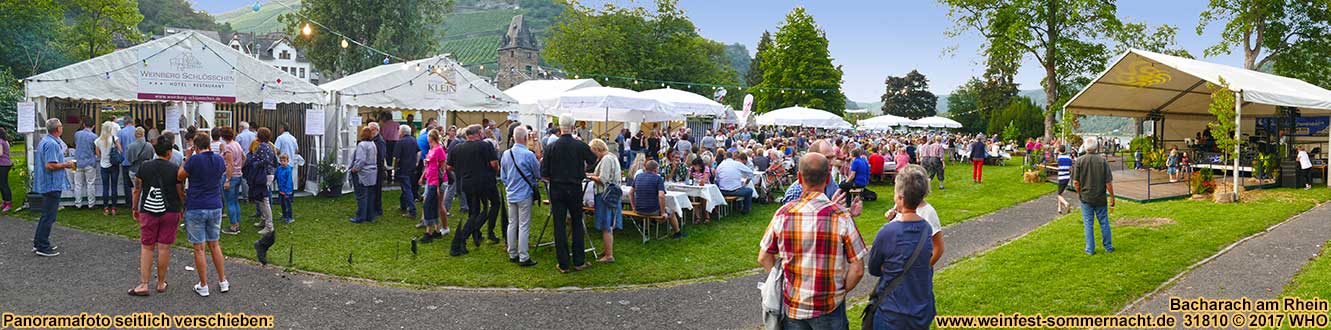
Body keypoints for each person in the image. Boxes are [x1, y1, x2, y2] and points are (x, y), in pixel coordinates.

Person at [758, 153, 867, 329]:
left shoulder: (783, 214)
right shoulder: (841, 217)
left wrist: (782, 279)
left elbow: (764, 257)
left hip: (794, 306)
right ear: (828, 178)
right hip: (830, 307)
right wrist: (841, 291)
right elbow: (858, 269)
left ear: (799, 178)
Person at [869, 164, 937, 329]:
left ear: (900, 197)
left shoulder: (887, 231)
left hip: (893, 311)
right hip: (920, 309)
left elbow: (873, 268)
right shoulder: (926, 228)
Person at [541, 114, 598, 273]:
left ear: (560, 127)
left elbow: (544, 173)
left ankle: (564, 263)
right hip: (574, 188)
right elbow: (593, 159)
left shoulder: (551, 147)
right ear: (573, 127)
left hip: (557, 188)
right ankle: (579, 261)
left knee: (559, 224)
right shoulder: (579, 145)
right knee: (577, 222)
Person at [128, 135, 184, 296]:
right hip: (171, 210)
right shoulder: (174, 169)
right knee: (164, 247)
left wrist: (135, 207)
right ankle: (161, 282)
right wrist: (182, 207)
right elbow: (180, 191)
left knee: (147, 247)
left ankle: (144, 284)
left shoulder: (144, 167)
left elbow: (137, 189)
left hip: (148, 210)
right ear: (169, 152)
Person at [178, 132, 230, 297]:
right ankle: (223, 281)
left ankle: (204, 284)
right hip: (215, 205)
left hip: (196, 205)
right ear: (208, 144)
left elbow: (180, 176)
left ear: (195, 146)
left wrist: (187, 157)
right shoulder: (219, 159)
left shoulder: (194, 159)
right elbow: (222, 172)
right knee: (215, 245)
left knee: (199, 248)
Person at [448, 125, 501, 255]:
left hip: (466, 184)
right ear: (478, 133)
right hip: (485, 182)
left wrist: (463, 170)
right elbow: (494, 164)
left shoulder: (457, 148)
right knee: (493, 205)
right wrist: (496, 171)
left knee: (474, 212)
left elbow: (449, 167)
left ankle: (474, 234)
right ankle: (470, 234)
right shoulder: (485, 145)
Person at [33, 119, 74, 257]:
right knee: (49, 216)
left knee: (46, 215)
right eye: (61, 125)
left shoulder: (45, 141)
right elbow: (50, 165)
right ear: (57, 129)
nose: (62, 128)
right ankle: (43, 245)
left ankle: (39, 242)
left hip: (48, 183)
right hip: (51, 184)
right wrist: (66, 165)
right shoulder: (51, 144)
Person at [500, 126, 539, 267]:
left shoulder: (506, 154)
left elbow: (503, 175)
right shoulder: (528, 155)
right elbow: (538, 173)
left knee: (512, 223)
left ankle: (512, 253)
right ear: (525, 138)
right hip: (524, 193)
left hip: (511, 193)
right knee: (523, 225)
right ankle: (523, 256)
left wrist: (510, 185)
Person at [1073, 138, 1115, 255]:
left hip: (1085, 197)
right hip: (1100, 197)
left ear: (1085, 148)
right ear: (1096, 147)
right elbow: (1108, 182)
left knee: (1088, 224)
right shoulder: (1102, 161)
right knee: (1104, 222)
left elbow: (1076, 182)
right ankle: (1108, 246)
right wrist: (1112, 197)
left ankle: (1090, 249)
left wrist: (1079, 193)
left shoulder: (1080, 161)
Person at [631, 160, 685, 244]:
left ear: (645, 168)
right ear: (656, 169)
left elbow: (631, 192)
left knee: (649, 205)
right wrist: (663, 212)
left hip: (639, 209)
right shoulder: (658, 178)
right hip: (652, 210)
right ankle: (677, 232)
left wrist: (633, 207)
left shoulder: (638, 177)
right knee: (671, 211)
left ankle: (646, 229)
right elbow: (661, 196)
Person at [588, 138, 622, 264]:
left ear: (597, 149)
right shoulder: (611, 157)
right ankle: (607, 250)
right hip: (610, 194)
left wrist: (590, 176)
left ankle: (609, 255)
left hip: (605, 195)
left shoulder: (606, 159)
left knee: (606, 225)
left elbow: (603, 178)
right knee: (608, 225)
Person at [247, 128, 279, 235]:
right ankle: (264, 219)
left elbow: (266, 161)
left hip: (263, 175)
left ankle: (269, 225)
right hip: (268, 174)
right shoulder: (269, 145)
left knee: (264, 200)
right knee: (261, 199)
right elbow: (274, 160)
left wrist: (255, 163)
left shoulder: (262, 146)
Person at [349, 126, 380, 224]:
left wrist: (355, 169)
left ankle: (360, 217)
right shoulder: (373, 144)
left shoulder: (362, 145)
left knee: (361, 196)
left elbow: (361, 160)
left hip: (363, 173)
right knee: (370, 196)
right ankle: (370, 216)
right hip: (372, 172)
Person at [219, 127, 246, 234]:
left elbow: (229, 165)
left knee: (229, 202)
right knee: (235, 201)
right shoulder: (237, 144)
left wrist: (227, 180)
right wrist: (239, 167)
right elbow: (244, 158)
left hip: (230, 177)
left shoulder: (228, 148)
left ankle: (233, 226)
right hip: (238, 175)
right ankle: (237, 223)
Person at [96, 121, 124, 215]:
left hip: (104, 165)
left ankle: (105, 208)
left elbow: (98, 154)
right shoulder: (114, 138)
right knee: (114, 186)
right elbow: (121, 150)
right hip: (114, 165)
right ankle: (114, 208)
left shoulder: (98, 140)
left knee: (105, 187)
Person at [126, 127, 154, 213]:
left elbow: (129, 160)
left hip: (134, 170)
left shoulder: (130, 146)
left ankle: (136, 208)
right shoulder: (149, 146)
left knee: (135, 189)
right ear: (143, 134)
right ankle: (144, 208)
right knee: (146, 189)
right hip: (147, 170)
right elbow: (152, 158)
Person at [394, 125, 420, 218]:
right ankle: (403, 205)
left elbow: (397, 158)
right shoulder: (414, 140)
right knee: (406, 187)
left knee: (407, 188)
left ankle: (412, 210)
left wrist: (395, 168)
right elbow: (419, 152)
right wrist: (416, 162)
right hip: (412, 168)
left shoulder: (400, 142)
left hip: (403, 168)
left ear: (402, 132)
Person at [72, 119, 98, 209]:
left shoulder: (77, 134)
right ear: (93, 126)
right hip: (90, 161)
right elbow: (95, 149)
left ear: (83, 125)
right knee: (90, 183)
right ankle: (91, 204)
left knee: (77, 184)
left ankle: (77, 204)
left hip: (76, 161)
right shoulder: (94, 136)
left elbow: (75, 144)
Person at [118, 117, 137, 207]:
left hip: (125, 160)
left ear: (124, 123)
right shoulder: (137, 131)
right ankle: (136, 201)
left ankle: (129, 202)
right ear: (132, 122)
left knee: (127, 183)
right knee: (137, 183)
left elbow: (119, 146)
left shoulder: (121, 132)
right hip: (136, 161)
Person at [274, 123, 299, 190]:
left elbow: (276, 150)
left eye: (280, 128)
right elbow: (297, 150)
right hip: (290, 162)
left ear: (282, 128)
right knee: (289, 180)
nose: (279, 129)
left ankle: (283, 195)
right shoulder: (293, 138)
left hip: (281, 162)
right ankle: (289, 194)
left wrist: (280, 154)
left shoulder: (280, 138)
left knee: (282, 180)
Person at [275, 154, 294, 224]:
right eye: (281, 161)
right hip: (281, 191)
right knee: (282, 204)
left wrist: (287, 192)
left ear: (288, 161)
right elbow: (276, 176)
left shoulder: (288, 170)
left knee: (288, 205)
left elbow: (289, 182)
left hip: (287, 192)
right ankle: (284, 215)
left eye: (284, 161)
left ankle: (290, 217)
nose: (283, 162)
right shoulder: (279, 168)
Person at [1055, 146, 1073, 214]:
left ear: (1059, 150)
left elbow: (1057, 164)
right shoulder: (1069, 158)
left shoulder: (1059, 157)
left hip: (1061, 177)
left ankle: (1066, 203)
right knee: (1061, 192)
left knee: (1059, 194)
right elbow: (1071, 168)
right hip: (1067, 177)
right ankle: (1059, 208)